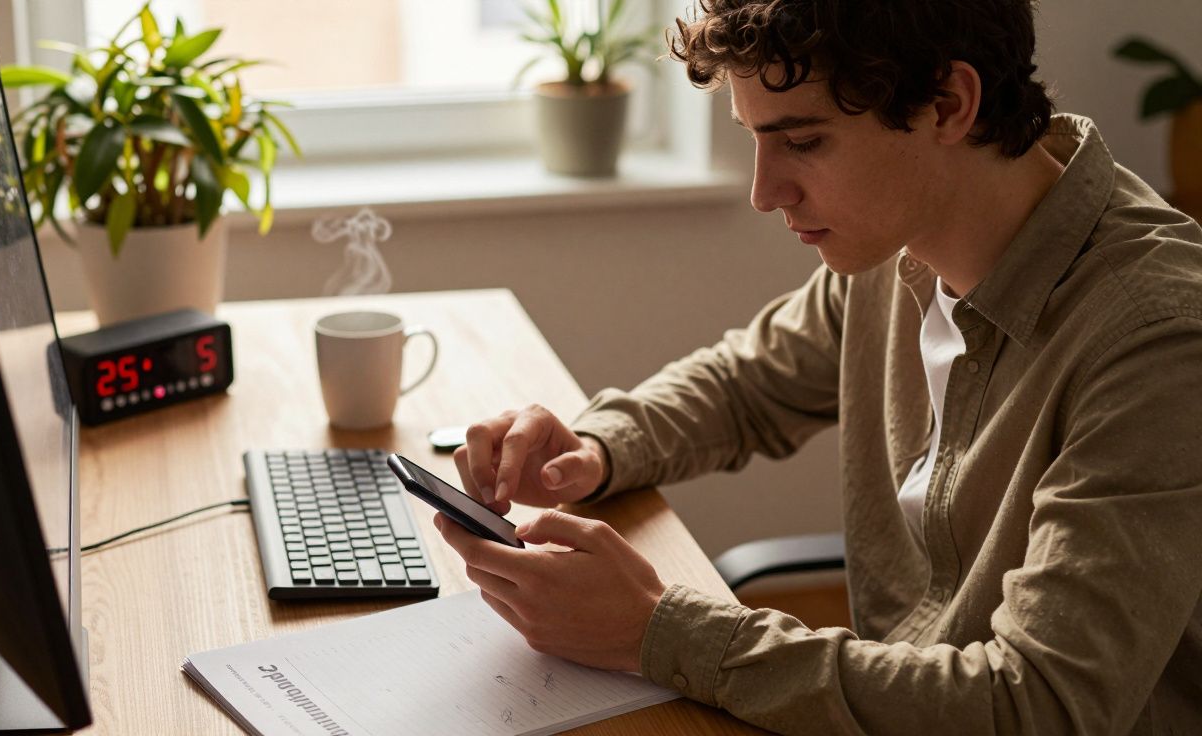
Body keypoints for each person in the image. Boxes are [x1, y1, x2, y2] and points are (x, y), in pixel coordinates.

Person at [434, 0, 1202, 732]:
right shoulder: (900, 240)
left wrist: (656, 630)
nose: (764, 193)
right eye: (755, 138)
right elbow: (747, 384)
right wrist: (595, 448)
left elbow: (1036, 707)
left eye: (802, 142)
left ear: (947, 105)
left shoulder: (1158, 342)